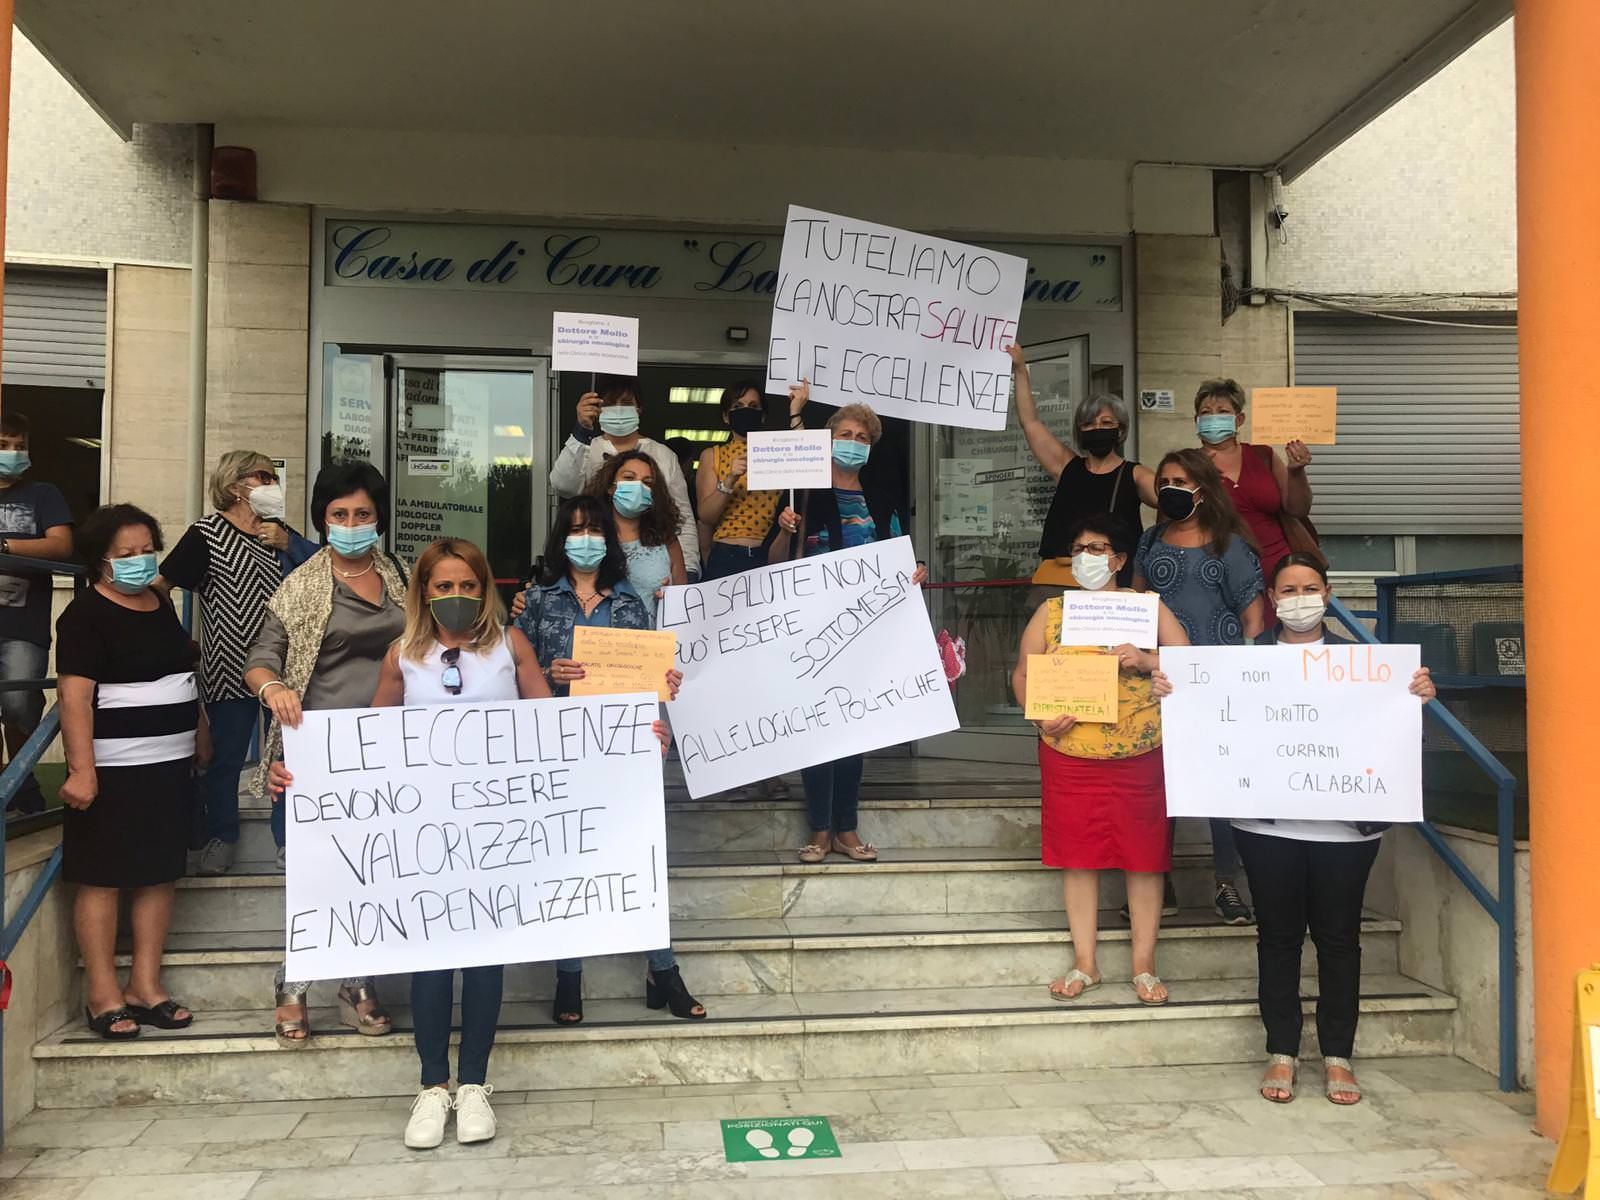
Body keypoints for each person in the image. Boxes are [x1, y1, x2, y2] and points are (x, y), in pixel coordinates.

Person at [1154, 552, 1436, 1105]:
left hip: (1349, 833)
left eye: (1310, 587)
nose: (1300, 597)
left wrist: (1418, 700)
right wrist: (1177, 694)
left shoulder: (1367, 666)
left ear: (1327, 594)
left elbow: (1397, 738)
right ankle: (1281, 1051)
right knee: (1278, 940)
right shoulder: (1241, 663)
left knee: (1339, 942)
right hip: (1267, 829)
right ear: (1272, 598)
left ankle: (1338, 1056)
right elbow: (1208, 720)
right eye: (1288, 589)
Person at [370, 539, 551, 1149]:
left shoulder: (511, 646)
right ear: (423, 592)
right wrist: (307, 772)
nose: (455, 597)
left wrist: (634, 728)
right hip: (426, 832)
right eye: (442, 587)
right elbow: (368, 746)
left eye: (467, 586)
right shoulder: (402, 657)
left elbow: (556, 728)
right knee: (431, 954)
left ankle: (474, 1083)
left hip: (496, 830)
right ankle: (431, 1086)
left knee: (482, 954)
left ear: (485, 589)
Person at [513, 496, 699, 1026]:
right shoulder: (537, 603)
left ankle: (663, 969)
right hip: (560, 751)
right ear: (560, 540)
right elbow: (512, 681)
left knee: (640, 857)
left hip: (622, 753)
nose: (586, 540)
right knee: (569, 859)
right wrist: (552, 676)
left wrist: (661, 707)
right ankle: (568, 974)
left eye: (595, 531)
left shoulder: (631, 605)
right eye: (575, 531)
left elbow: (647, 678)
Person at [245, 460, 403, 1047]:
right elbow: (259, 659)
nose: (352, 523)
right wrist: (273, 688)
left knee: (372, 872)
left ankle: (356, 983)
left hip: (389, 756)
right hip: (313, 760)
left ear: (378, 517)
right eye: (339, 515)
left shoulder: (403, 578)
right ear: (322, 519)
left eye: (363, 513)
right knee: (312, 880)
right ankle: (294, 982)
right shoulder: (300, 586)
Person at [1011, 515, 1189, 1005]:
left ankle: (1144, 965)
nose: (1088, 557)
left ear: (1119, 559)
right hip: (1070, 754)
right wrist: (1041, 718)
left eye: (1098, 548)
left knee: (1145, 858)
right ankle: (1085, 962)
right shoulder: (1052, 611)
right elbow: (1024, 675)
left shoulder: (1145, 609)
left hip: (1141, 751)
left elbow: (1192, 662)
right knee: (1078, 857)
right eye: (1079, 549)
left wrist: (1148, 660)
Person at [57, 504, 208, 1039]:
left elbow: (179, 673)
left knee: (157, 873)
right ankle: (103, 993)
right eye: (126, 555)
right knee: (102, 878)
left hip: (169, 766)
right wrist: (82, 769)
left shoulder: (160, 603)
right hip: (114, 771)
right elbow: (75, 697)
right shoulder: (83, 617)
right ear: (100, 560)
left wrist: (199, 731)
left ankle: (146, 984)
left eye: (147, 551)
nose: (140, 562)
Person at [774, 402, 927, 864]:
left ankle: (847, 828)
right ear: (828, 438)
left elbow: (900, 554)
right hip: (815, 631)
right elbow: (775, 565)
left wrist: (915, 568)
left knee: (855, 730)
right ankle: (820, 829)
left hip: (866, 633)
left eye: (863, 437)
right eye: (845, 433)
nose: (854, 443)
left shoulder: (881, 499)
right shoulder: (803, 495)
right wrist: (784, 531)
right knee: (819, 730)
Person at [156, 451, 317, 875]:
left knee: (288, 757)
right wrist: (178, 643)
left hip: (285, 668)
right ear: (234, 486)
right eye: (263, 476)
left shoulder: (278, 534)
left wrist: (291, 545)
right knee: (226, 758)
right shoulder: (207, 534)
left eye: (273, 476)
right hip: (229, 666)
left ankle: (288, 842)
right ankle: (221, 836)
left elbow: (328, 570)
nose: (272, 484)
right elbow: (160, 587)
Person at [1133, 448, 1265, 927]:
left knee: (1218, 787)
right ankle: (1155, 880)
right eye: (1163, 480)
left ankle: (1226, 883)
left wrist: (1243, 680)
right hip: (1159, 682)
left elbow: (1253, 619)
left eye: (1180, 481)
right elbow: (1137, 605)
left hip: (1217, 685)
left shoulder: (1229, 546)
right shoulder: (1148, 542)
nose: (1169, 488)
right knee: (1158, 785)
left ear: (1203, 489)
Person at [1007, 345, 1154, 587]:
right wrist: (1021, 370)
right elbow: (1030, 422)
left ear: (1121, 430)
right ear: (1079, 431)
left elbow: (1172, 499)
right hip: (1061, 577)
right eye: (1088, 423)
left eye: (1106, 422)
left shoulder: (1135, 474)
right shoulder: (1067, 467)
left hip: (1112, 582)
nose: (1097, 428)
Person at [548, 375, 700, 579]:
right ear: (598, 409)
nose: (618, 409)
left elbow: (683, 518)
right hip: (595, 561)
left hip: (652, 564)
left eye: (627, 403)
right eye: (609, 404)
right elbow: (562, 485)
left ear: (639, 409)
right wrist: (582, 430)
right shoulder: (587, 448)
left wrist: (687, 569)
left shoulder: (663, 455)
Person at [0, 410, 73, 814]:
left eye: (20, 446)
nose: (13, 453)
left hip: (23, 627)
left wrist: (6, 548)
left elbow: (61, 545)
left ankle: (22, 786)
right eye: (4, 445)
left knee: (19, 706)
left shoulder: (44, 494)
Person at [1193, 378, 1314, 587]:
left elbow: (1298, 509)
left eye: (1222, 411)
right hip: (1215, 573)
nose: (1213, 417)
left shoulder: (1263, 455)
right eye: (1206, 412)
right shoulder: (1188, 464)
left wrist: (1296, 471)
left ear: (1239, 419)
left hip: (1276, 572)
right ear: (1196, 420)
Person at [696, 380, 805, 581]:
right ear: (725, 416)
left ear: (762, 415)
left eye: (753, 406)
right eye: (738, 406)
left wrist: (795, 410)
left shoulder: (776, 450)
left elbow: (805, 456)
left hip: (769, 553)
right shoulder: (712, 455)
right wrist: (729, 480)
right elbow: (706, 516)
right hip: (726, 554)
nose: (746, 411)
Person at [585, 449, 685, 621]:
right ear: (610, 486)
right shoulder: (585, 537)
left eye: (647, 482)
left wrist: (669, 601)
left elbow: (683, 604)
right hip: (597, 643)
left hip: (652, 643)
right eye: (629, 478)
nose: (638, 486)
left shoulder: (666, 540)